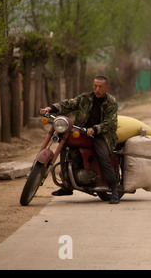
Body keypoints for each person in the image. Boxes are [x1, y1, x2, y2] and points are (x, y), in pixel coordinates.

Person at [40, 76, 120, 204]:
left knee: (104, 157)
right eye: (95, 86)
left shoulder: (111, 102)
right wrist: (51, 108)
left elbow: (110, 122)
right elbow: (69, 104)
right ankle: (67, 186)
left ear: (107, 87)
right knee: (65, 148)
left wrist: (95, 128)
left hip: (101, 135)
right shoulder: (85, 98)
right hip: (81, 132)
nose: (97, 89)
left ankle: (114, 189)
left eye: (100, 86)